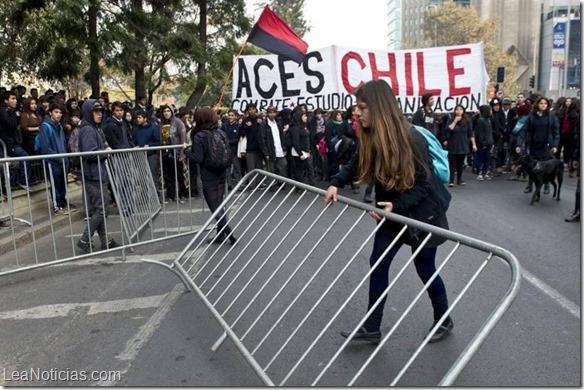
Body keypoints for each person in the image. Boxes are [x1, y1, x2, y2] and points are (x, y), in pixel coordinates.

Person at [323, 79, 453, 343]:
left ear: (379, 108)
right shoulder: (370, 135)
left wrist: (397, 206)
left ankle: (444, 319)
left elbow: (424, 184)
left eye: (362, 107)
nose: (356, 113)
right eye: (356, 107)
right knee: (378, 262)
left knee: (425, 268)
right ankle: (372, 327)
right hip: (391, 212)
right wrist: (335, 183)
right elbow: (355, 164)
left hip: (421, 214)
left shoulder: (411, 138)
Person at [187, 107, 237, 245]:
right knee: (219, 205)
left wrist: (186, 151)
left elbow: (198, 158)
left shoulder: (199, 136)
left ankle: (229, 233)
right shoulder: (220, 132)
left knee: (214, 207)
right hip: (221, 172)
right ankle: (221, 235)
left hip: (208, 174)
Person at [76, 99, 118, 253]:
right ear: (88, 112)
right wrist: (105, 152)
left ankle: (105, 241)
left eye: (101, 111)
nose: (99, 114)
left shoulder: (93, 128)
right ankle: (85, 238)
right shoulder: (88, 129)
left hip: (96, 175)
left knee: (99, 211)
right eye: (96, 111)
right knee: (102, 211)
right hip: (93, 176)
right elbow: (90, 153)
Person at [516, 96, 560, 195]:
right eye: (541, 103)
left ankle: (547, 185)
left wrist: (555, 145)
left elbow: (556, 131)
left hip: (546, 145)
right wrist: (519, 144)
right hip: (534, 145)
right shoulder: (531, 116)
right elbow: (524, 130)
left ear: (548, 105)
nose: (543, 105)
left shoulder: (551, 116)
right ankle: (530, 185)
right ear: (537, 104)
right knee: (532, 166)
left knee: (546, 166)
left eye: (545, 103)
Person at [37, 102, 73, 214]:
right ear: (50, 113)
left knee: (62, 183)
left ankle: (63, 202)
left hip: (62, 160)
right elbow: (45, 147)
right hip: (52, 161)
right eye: (56, 112)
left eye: (60, 112)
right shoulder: (45, 126)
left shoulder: (60, 127)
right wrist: (58, 158)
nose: (59, 115)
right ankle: (57, 206)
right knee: (55, 184)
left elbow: (63, 143)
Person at [0, 91, 32, 191]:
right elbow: (10, 124)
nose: (15, 101)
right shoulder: (3, 111)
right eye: (12, 99)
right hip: (8, 143)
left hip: (13, 141)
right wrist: (12, 112)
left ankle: (19, 182)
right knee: (25, 157)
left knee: (20, 161)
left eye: (15, 99)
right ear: (6, 100)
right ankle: (22, 182)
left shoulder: (10, 111)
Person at [443, 104, 476, 186]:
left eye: (460, 109)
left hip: (463, 143)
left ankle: (459, 179)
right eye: (457, 109)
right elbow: (448, 129)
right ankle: (451, 180)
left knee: (460, 163)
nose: (459, 111)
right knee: (452, 163)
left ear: (463, 111)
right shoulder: (451, 119)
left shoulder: (467, 120)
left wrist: (474, 144)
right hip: (453, 143)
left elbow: (470, 133)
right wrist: (455, 121)